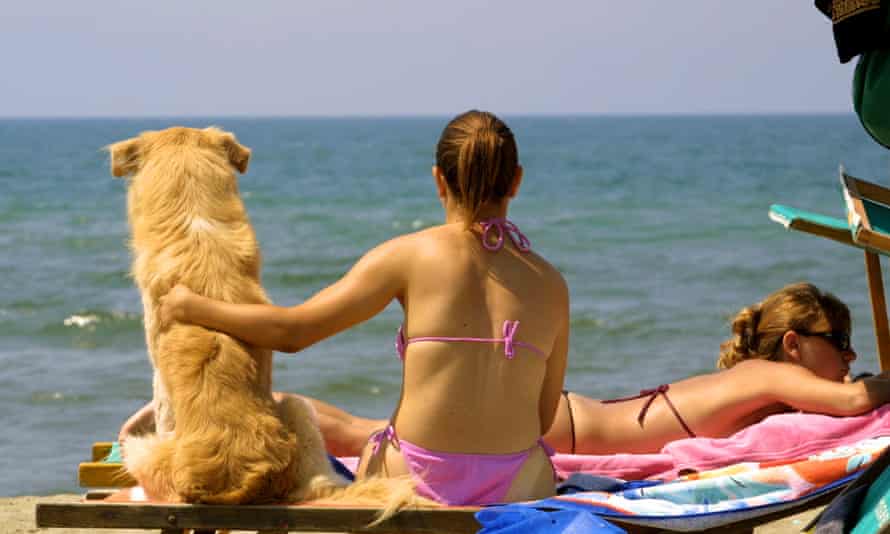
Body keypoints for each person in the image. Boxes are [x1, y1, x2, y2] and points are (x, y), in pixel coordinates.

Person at [126, 110, 570, 506]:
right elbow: (543, 416)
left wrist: (193, 306)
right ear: (516, 180)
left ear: (438, 179)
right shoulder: (551, 283)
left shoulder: (409, 255)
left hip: (415, 480)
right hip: (518, 483)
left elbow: (294, 333)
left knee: (353, 443)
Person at [125, 282, 890, 458]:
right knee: (369, 439)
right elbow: (854, 399)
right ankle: (211, 406)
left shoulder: (752, 385)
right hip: (563, 428)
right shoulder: (772, 379)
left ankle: (212, 405)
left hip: (564, 417)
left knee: (374, 439)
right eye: (841, 340)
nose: (849, 358)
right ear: (794, 344)